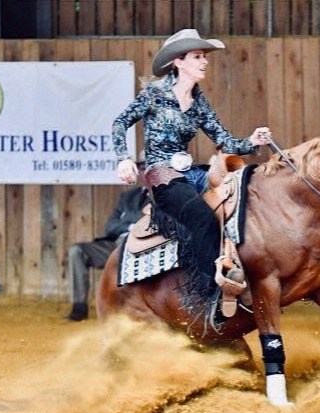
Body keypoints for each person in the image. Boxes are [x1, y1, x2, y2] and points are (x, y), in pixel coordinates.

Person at [111, 28, 271, 325]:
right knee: (203, 218)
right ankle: (210, 296)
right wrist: (123, 159)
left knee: (240, 201)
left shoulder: (199, 103)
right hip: (162, 175)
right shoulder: (153, 94)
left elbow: (226, 141)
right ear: (178, 62)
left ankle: (249, 276)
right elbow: (120, 123)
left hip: (190, 174)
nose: (204, 62)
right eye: (198, 56)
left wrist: (253, 141)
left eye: (204, 56)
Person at [65, 186, 145, 321]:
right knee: (77, 251)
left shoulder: (162, 193)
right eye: (141, 167)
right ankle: (79, 308)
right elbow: (110, 226)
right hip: (116, 244)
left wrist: (128, 222)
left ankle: (131, 310)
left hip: (140, 245)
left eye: (146, 167)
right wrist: (131, 226)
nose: (143, 172)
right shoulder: (128, 196)